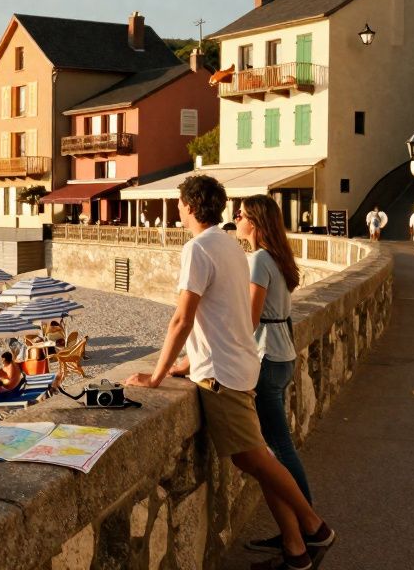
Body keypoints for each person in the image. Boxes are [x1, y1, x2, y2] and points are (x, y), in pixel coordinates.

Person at [125, 175, 333, 570]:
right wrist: (186, 365)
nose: (179, 209)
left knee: (258, 458)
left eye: (180, 204)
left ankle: (314, 526)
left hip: (222, 375)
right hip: (240, 365)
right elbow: (226, 316)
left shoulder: (199, 248)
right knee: (256, 459)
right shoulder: (232, 246)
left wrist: (156, 376)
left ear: (187, 206)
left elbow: (181, 320)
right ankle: (296, 549)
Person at [236, 195, 314, 510]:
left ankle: (310, 522)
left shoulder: (257, 260)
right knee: (276, 445)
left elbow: (250, 320)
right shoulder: (278, 258)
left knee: (279, 447)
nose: (235, 218)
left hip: (266, 356)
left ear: (253, 221)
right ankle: (297, 528)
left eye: (239, 213)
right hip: (283, 354)